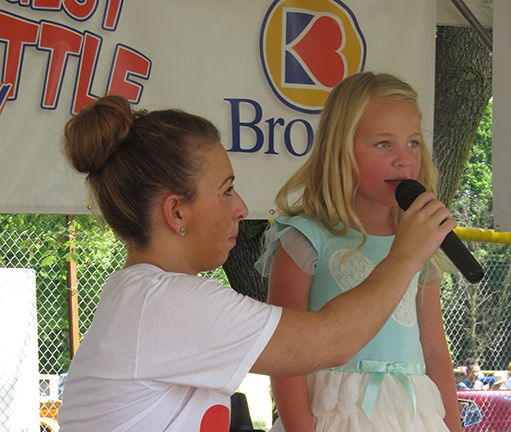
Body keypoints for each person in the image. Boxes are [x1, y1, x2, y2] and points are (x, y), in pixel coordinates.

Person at [57, 95, 457, 431]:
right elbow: (333, 341)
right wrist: (405, 256)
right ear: (176, 213)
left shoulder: (148, 297)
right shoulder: (165, 303)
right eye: (226, 191)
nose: (242, 208)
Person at [256, 72, 462, 431]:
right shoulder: (307, 238)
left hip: (412, 417)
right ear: (339, 148)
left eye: (413, 143)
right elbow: (285, 357)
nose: (403, 159)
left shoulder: (419, 239)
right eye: (384, 144)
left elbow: (433, 350)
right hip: (336, 415)